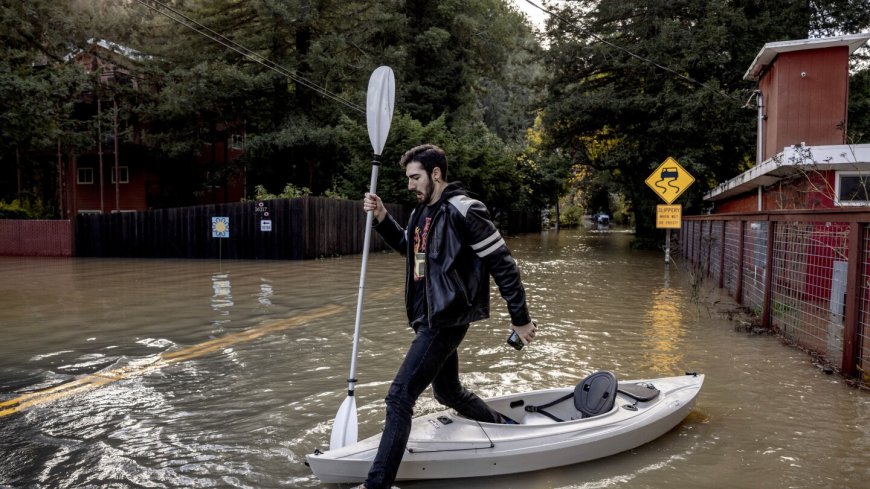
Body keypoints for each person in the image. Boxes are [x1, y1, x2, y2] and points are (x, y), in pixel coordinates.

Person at [357, 144, 537, 489]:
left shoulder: (465, 210)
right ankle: (505, 426)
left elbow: (504, 266)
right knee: (448, 392)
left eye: (415, 177)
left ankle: (376, 484)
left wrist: (520, 318)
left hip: (446, 319)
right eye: (409, 178)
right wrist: (381, 217)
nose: (410, 185)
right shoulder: (420, 213)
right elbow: (410, 252)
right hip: (427, 317)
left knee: (399, 397)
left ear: (435, 174)